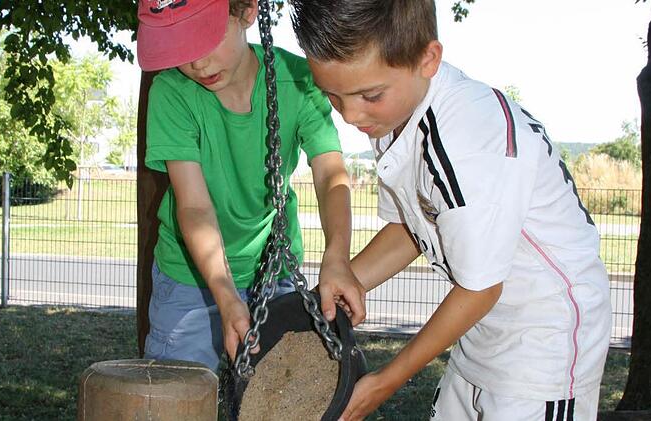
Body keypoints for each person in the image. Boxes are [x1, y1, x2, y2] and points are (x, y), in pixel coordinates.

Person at [290, 1, 612, 420]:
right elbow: (414, 226)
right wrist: (341, 283)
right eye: (332, 94)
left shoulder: (467, 141)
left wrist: (385, 382)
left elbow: (481, 287)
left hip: (545, 342)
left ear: (428, 59)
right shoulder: (394, 115)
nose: (351, 115)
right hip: (484, 326)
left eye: (369, 95)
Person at [136, 0, 366, 373]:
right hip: (188, 282)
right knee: (177, 397)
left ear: (247, 12)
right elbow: (194, 206)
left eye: (203, 39)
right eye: (180, 47)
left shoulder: (299, 80)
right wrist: (225, 296)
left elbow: (330, 174)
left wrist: (337, 255)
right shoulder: (172, 92)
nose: (196, 63)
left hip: (275, 271)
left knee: (279, 396)